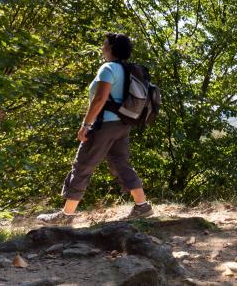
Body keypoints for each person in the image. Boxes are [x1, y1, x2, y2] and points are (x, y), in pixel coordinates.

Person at [38, 33, 152, 225]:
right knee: (121, 163)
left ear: (111, 48)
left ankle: (66, 216)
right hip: (123, 125)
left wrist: (86, 125)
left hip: (103, 125)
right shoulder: (128, 69)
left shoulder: (108, 68)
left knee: (83, 165)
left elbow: (100, 99)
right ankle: (143, 206)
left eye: (104, 44)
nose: (102, 47)